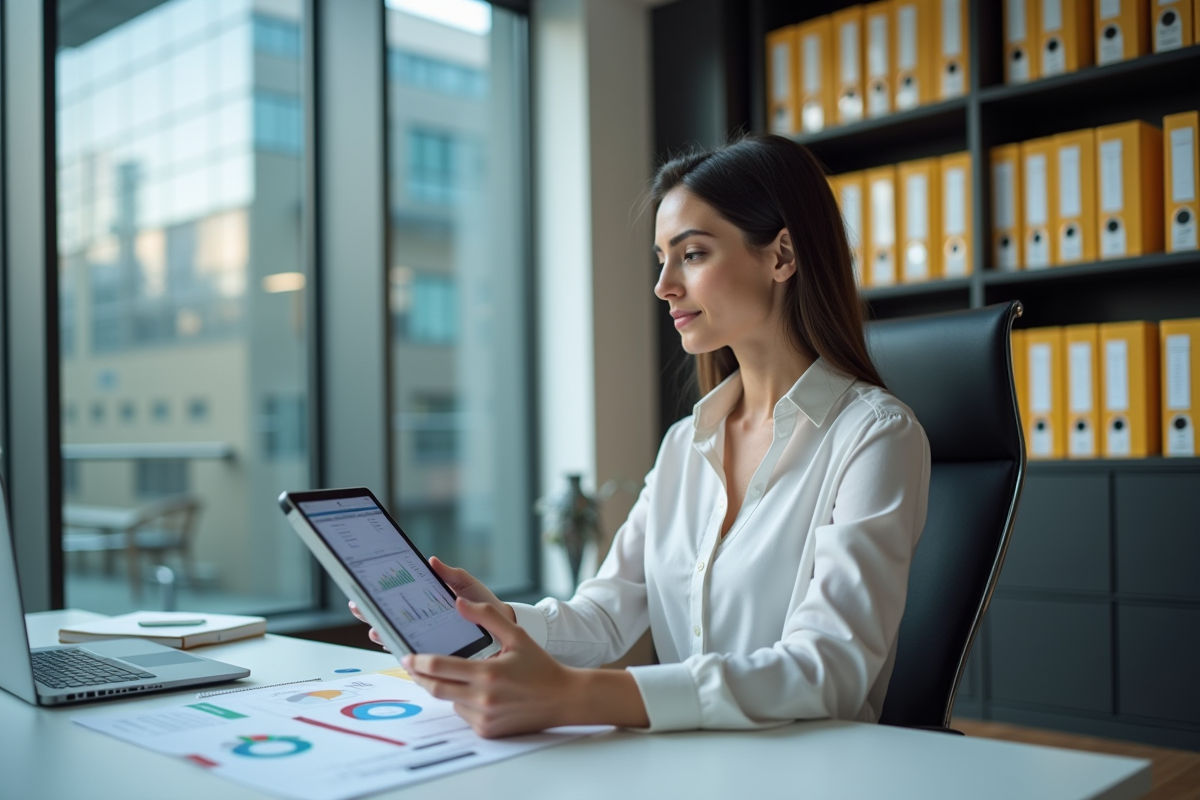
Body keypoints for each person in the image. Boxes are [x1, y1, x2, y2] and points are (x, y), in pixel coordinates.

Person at [352, 134, 931, 738]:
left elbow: (827, 670)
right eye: (662, 258)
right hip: (687, 768)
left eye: (693, 254)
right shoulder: (686, 444)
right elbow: (606, 617)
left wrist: (578, 697)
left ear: (782, 255)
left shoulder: (875, 436)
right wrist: (498, 620)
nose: (664, 286)